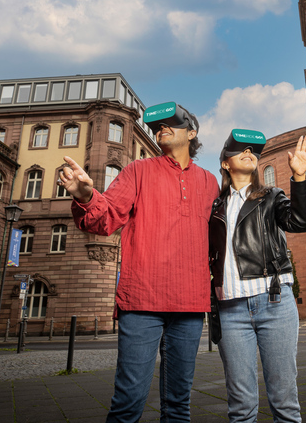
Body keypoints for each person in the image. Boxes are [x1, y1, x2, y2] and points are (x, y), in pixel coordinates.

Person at [59, 102, 219, 422]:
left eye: (171, 122)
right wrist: (86, 196)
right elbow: (104, 221)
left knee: (178, 403)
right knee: (129, 400)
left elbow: (219, 242)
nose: (162, 128)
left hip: (189, 303)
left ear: (192, 133)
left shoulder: (210, 182)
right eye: (157, 125)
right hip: (142, 299)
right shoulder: (137, 170)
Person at [209, 130, 306, 423]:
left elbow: (300, 222)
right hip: (230, 311)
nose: (248, 152)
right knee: (241, 407)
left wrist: (300, 179)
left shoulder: (271, 196)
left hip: (274, 303)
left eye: (253, 150)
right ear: (225, 164)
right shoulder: (214, 206)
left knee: (284, 401)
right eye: (239, 149)